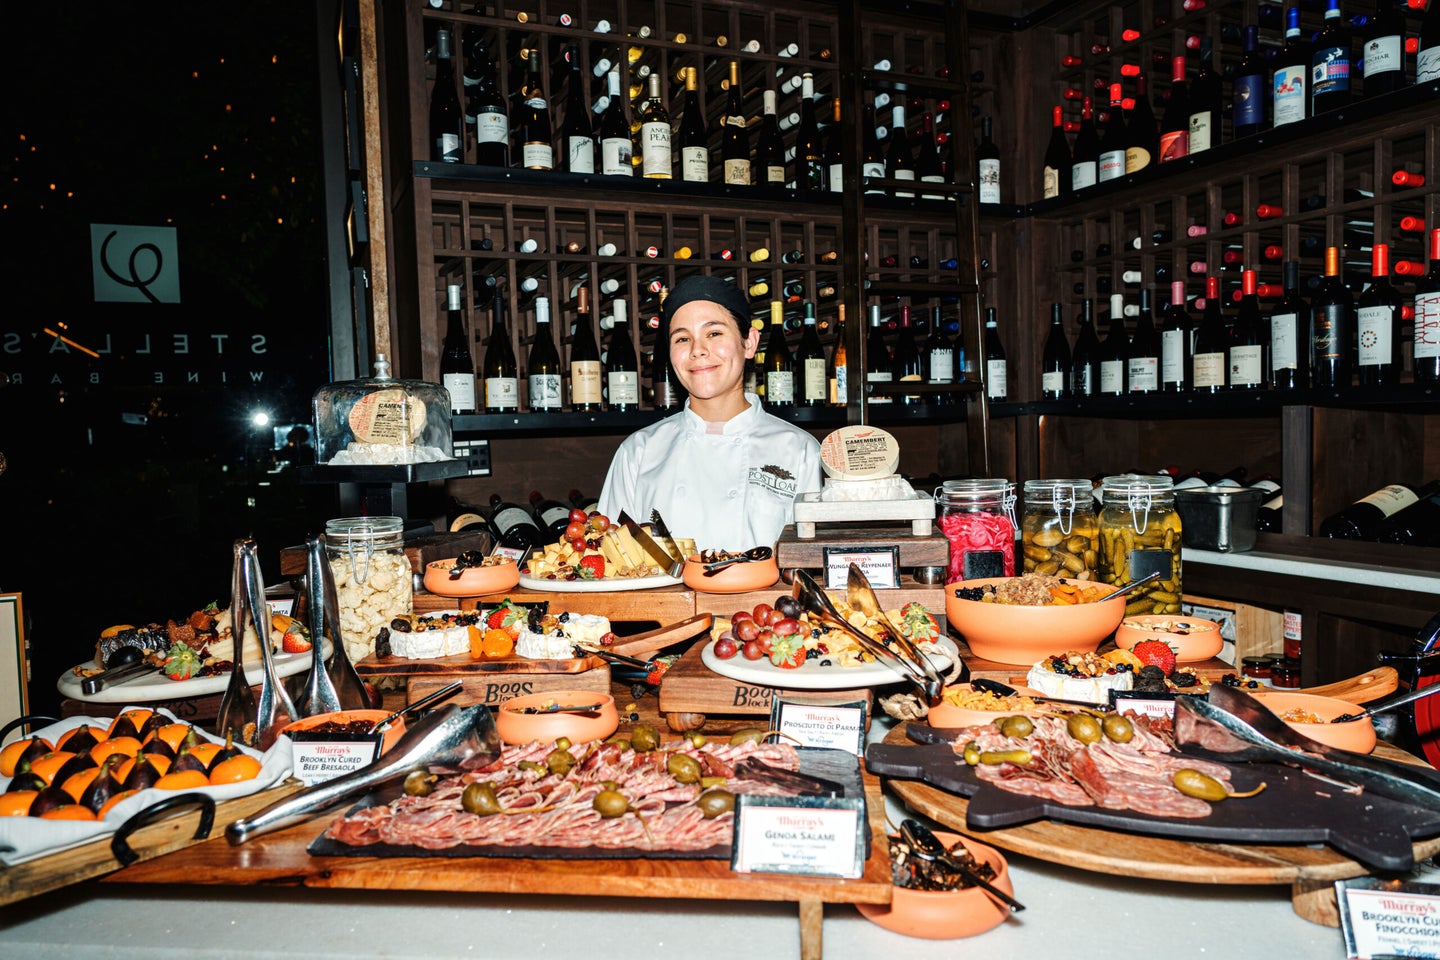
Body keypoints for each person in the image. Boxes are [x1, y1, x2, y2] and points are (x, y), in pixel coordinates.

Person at [598, 275, 822, 550]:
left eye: (714, 333)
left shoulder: (799, 451)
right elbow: (612, 560)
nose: (697, 351)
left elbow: (810, 562)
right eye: (682, 339)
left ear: (749, 343)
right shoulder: (638, 452)